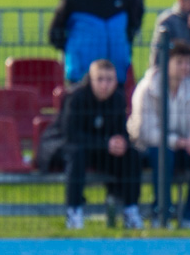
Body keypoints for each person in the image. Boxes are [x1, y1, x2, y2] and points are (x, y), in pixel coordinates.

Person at [128, 41, 190, 229]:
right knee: (163, 153)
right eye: (180, 62)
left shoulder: (188, 88)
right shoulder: (147, 89)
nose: (186, 67)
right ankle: (162, 212)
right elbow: (146, 133)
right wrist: (180, 142)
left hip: (179, 147)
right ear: (166, 62)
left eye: (189, 63)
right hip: (148, 149)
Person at [53, 59, 143, 230]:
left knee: (132, 154)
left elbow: (120, 130)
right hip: (66, 148)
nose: (104, 84)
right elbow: (70, 134)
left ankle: (131, 209)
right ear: (90, 79)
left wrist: (121, 142)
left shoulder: (117, 99)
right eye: (100, 79)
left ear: (116, 81)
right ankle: (74, 211)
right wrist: (105, 143)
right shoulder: (76, 97)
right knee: (76, 154)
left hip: (101, 151)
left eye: (109, 80)